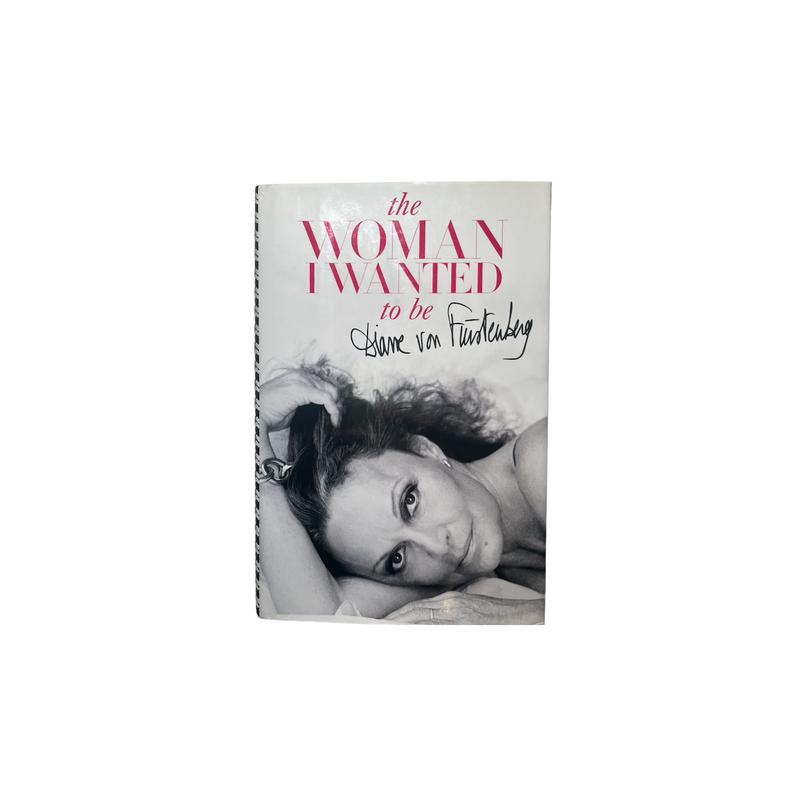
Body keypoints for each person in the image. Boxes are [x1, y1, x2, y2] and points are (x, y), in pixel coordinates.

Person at [258, 363, 546, 623]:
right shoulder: (450, 575)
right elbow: (323, 614)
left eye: (410, 501)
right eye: (396, 559)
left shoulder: (539, 457)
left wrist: (513, 616)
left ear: (426, 450)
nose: (437, 547)